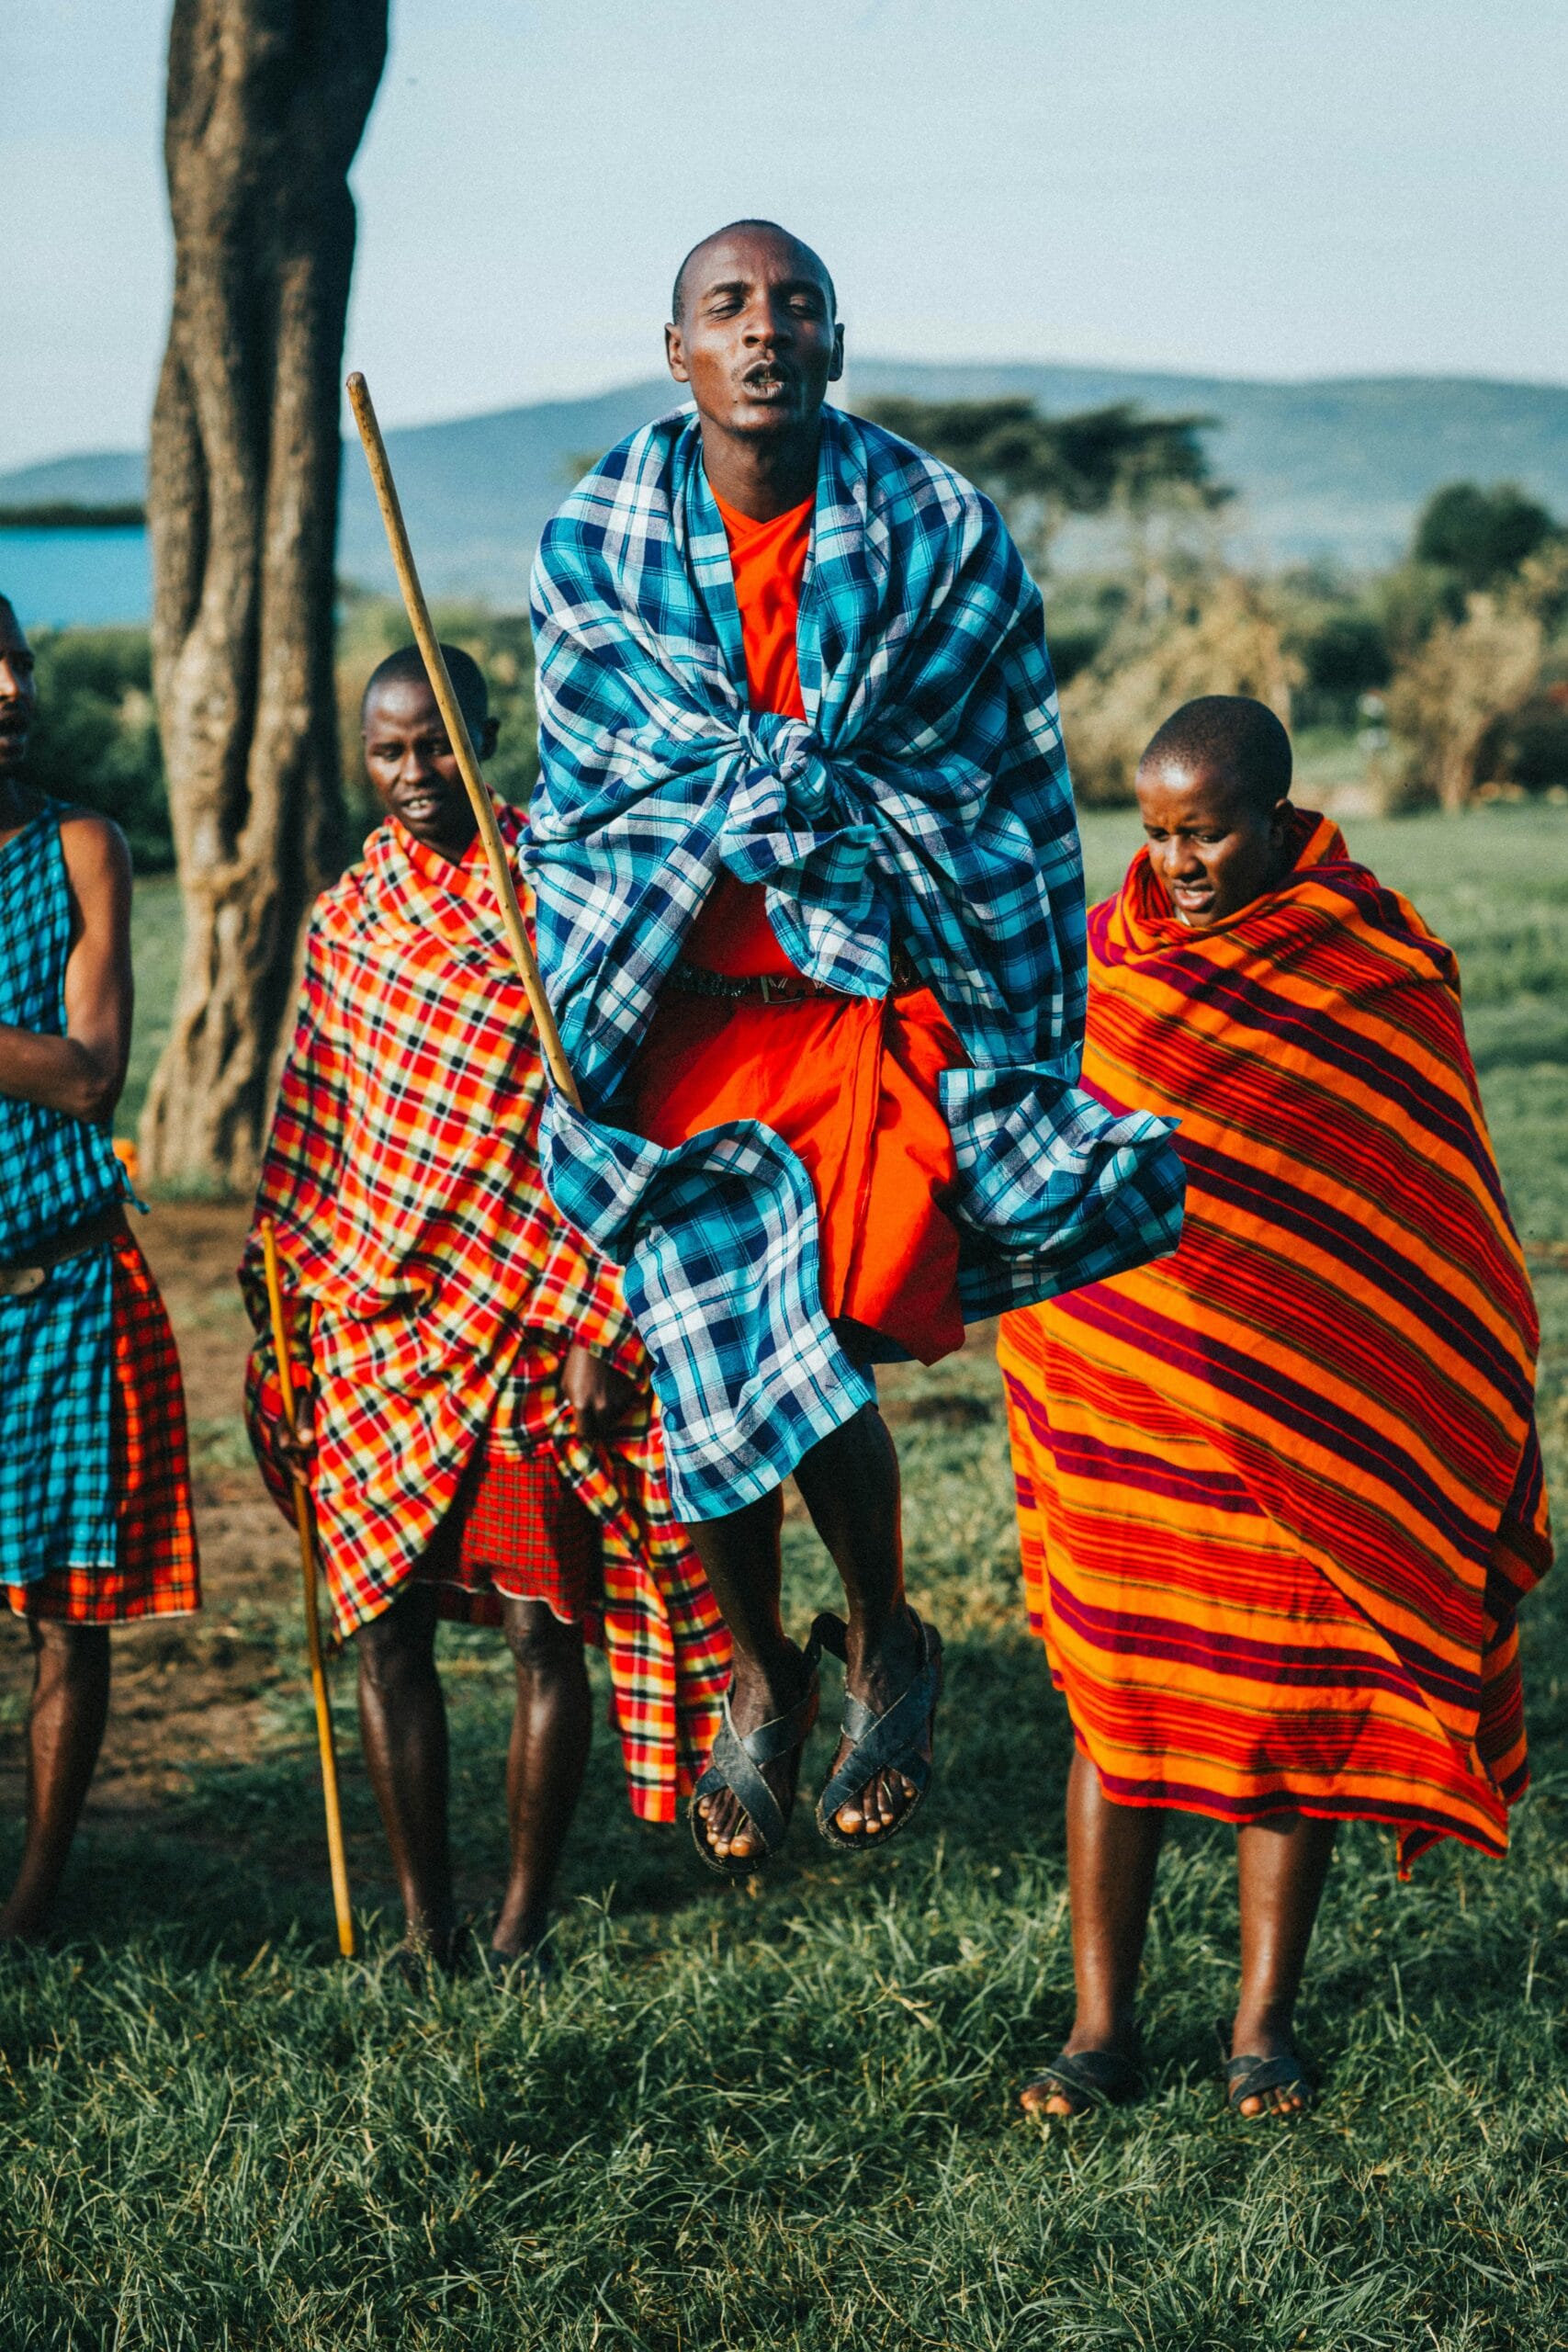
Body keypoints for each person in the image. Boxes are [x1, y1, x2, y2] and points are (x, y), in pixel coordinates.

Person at [525, 221, 1184, 1875]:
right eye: (729, 308)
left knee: (811, 1338)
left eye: (796, 306)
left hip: (858, 1007)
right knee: (710, 1354)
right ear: (676, 350)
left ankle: (884, 1631)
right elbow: (595, 795)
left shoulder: (936, 531)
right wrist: (729, 807)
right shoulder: (596, 541)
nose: (765, 331)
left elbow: (998, 776)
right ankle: (764, 1674)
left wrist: (827, 817)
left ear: (836, 341)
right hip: (678, 1013)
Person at [998, 695, 1553, 2120]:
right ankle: (1100, 2030)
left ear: (1280, 815)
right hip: (1125, 1400)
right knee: (1116, 1708)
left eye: (1207, 833)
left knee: (1286, 1707)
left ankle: (1262, 2026)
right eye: (1156, 832)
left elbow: (1422, 1200)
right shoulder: (1101, 964)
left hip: (1308, 1420)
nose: (1177, 863)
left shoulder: (1368, 965)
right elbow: (1048, 1173)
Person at [242, 644, 728, 1975]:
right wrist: (283, 1297)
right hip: (373, 1316)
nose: (415, 774)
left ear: (488, 734)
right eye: (389, 751)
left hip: (531, 1312)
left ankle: (520, 1922)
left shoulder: (556, 897)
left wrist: (603, 1321)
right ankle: (424, 1923)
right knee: (384, 1626)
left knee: (539, 1624)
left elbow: (626, 1107)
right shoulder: (347, 922)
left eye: (438, 745)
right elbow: (316, 1121)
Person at [0, 593, 199, 1944]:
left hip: (68, 1285)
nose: (9, 687)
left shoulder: (83, 847)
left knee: (68, 1616)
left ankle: (33, 1906)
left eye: (16, 661)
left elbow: (88, 1076)